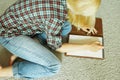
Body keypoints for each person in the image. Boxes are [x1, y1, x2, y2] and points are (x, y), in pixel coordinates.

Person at [0, 0, 102, 79]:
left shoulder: (61, 6)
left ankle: (27, 48)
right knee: (54, 66)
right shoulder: (55, 17)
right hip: (9, 36)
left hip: (21, 26)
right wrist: (87, 46)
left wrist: (80, 23)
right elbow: (58, 47)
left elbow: (63, 15)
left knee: (66, 25)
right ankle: (3, 72)